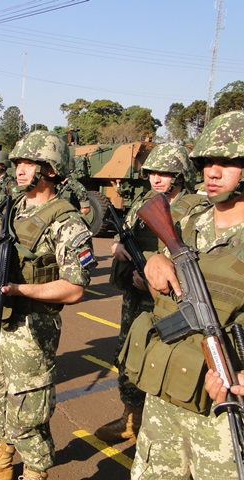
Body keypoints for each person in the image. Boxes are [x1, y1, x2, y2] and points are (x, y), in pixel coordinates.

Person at [0, 130, 96, 480]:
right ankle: (1, 460)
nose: (18, 170)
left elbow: (74, 288)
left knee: (28, 405)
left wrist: (17, 289)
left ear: (49, 169)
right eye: (18, 163)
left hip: (32, 329)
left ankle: (35, 471)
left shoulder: (66, 221)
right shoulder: (10, 206)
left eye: (27, 163)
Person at [121, 111, 244, 480]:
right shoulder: (188, 218)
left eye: (227, 163)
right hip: (165, 392)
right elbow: (158, 275)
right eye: (207, 162)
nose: (213, 172)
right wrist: (154, 261)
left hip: (223, 403)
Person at [95, 143, 204, 444]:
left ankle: (162, 431)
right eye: (153, 172)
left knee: (169, 363)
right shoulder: (145, 201)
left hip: (172, 303)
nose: (157, 179)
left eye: (165, 173)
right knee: (127, 355)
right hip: (136, 296)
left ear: (180, 176)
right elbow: (126, 234)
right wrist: (117, 247)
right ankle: (132, 417)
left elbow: (196, 258)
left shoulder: (194, 209)